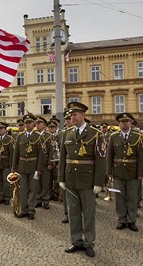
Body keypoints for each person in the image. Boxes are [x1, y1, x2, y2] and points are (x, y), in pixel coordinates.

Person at [58, 102, 105, 258]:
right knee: (73, 213)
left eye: (75, 114)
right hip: (71, 178)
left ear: (83, 115)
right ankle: (76, 240)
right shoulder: (66, 134)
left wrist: (99, 182)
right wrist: (61, 178)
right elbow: (62, 158)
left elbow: (100, 160)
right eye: (71, 115)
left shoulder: (96, 134)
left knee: (89, 213)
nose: (73, 117)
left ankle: (88, 242)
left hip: (87, 179)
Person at [106, 112, 143, 232]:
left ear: (131, 123)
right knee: (120, 196)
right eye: (122, 122)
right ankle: (121, 219)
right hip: (118, 171)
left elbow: (141, 156)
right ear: (118, 124)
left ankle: (132, 220)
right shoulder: (113, 136)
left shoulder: (138, 136)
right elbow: (109, 155)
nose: (124, 124)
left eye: (127, 122)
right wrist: (109, 171)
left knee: (132, 197)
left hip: (132, 171)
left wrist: (140, 173)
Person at [11, 114, 47, 220]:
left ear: (34, 124)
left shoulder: (39, 137)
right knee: (23, 190)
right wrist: (14, 167)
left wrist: (39, 169)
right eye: (26, 123)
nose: (27, 125)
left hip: (34, 167)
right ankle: (24, 210)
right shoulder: (20, 136)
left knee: (33, 189)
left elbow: (42, 154)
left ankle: (31, 210)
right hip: (22, 167)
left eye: (29, 123)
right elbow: (16, 153)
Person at [35, 115, 54, 209]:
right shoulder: (34, 136)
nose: (37, 125)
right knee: (37, 183)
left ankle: (46, 200)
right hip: (36, 163)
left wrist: (50, 162)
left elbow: (52, 150)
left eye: (39, 123)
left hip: (46, 162)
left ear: (44, 125)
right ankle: (38, 200)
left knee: (45, 183)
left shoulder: (49, 136)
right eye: (36, 123)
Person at [0, 121, 14, 205]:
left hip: (6, 163)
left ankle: (7, 197)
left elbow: (12, 153)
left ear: (5, 130)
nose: (0, 130)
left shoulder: (10, 139)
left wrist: (11, 166)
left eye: (1, 128)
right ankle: (0, 196)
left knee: (6, 182)